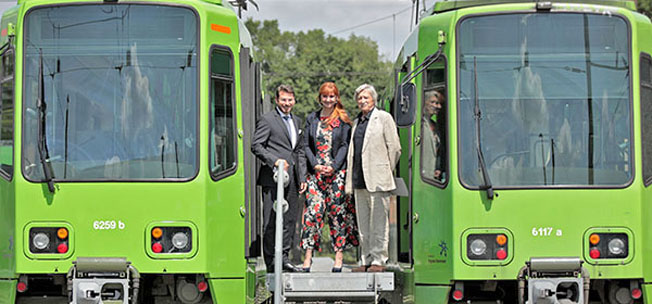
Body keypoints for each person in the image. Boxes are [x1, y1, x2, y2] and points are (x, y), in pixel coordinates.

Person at [300, 82, 359, 273]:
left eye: (332, 96)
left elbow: (344, 145)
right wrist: (315, 165)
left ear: (337, 98)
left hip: (336, 175)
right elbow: (306, 146)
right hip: (315, 175)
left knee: (337, 215)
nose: (328, 100)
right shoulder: (312, 118)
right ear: (320, 98)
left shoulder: (342, 120)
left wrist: (333, 167)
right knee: (313, 213)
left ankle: (339, 257)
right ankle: (308, 257)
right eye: (325, 96)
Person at [345, 84, 401, 272]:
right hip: (359, 179)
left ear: (374, 100)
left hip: (378, 180)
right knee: (363, 225)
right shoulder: (356, 122)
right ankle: (366, 260)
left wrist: (385, 170)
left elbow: (394, 148)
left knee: (378, 223)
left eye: (365, 98)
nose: (362, 101)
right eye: (359, 98)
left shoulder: (384, 118)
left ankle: (379, 260)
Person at [252, 84, 307, 273]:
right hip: (273, 179)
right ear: (277, 100)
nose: (287, 103)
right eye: (283, 100)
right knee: (271, 220)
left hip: (292, 179)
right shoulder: (267, 120)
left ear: (294, 100)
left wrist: (302, 177)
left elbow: (298, 151)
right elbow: (256, 146)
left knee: (290, 220)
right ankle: (271, 263)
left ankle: (284, 258)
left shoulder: (297, 121)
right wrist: (275, 161)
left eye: (290, 100)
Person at [421, 89, 446, 182]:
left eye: (438, 103)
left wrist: (438, 167)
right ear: (424, 102)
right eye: (433, 102)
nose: (438, 106)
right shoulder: (419, 124)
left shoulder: (435, 125)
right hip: (423, 175)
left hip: (432, 174)